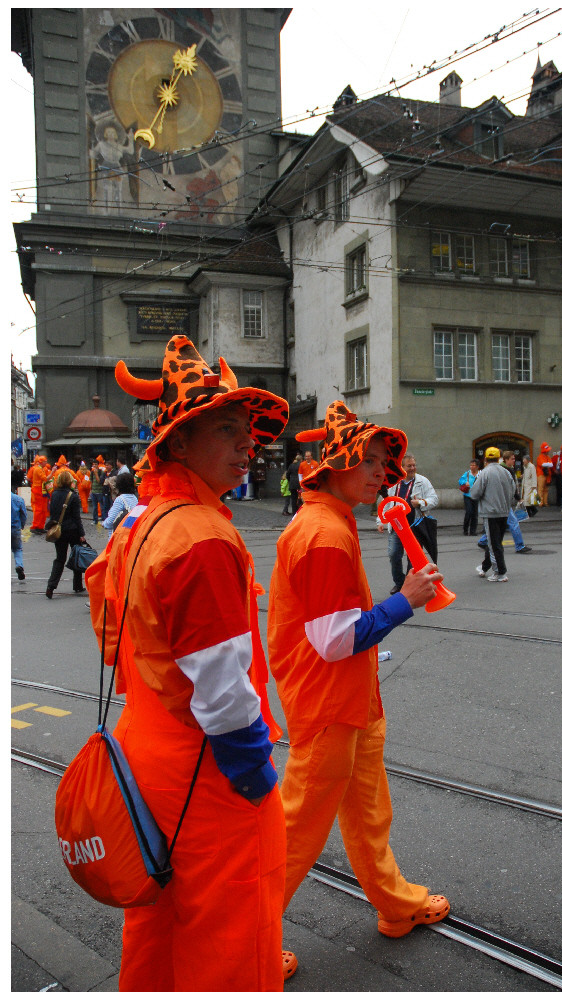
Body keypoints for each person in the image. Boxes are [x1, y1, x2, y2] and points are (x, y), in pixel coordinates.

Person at [85, 335, 289, 991]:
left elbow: (111, 627)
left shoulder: (142, 522)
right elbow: (224, 690)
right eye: (227, 430)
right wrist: (252, 770)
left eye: (247, 431)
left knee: (158, 920)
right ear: (176, 443)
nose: (246, 444)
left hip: (145, 753)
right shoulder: (202, 535)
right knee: (232, 933)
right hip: (206, 771)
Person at [267, 400, 450, 973]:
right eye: (368, 460)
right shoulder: (322, 533)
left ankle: (395, 904)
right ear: (338, 461)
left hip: (350, 702)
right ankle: (247, 936)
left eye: (381, 462)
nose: (379, 472)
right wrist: (406, 601)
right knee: (295, 831)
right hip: (329, 703)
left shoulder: (330, 521)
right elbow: (334, 639)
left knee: (369, 814)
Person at [376, 452, 439, 594]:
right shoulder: (394, 482)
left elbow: (434, 499)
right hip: (396, 527)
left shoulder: (423, 481)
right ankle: (399, 583)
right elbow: (386, 502)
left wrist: (421, 503)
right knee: (394, 555)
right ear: (402, 467)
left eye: (414, 465)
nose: (412, 468)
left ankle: (412, 587)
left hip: (414, 527)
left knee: (413, 560)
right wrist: (380, 521)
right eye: (409, 466)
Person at [469, 446, 515, 582]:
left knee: (493, 543)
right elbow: (513, 490)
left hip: (490, 513)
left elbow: (474, 493)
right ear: (499, 458)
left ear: (485, 459)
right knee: (496, 541)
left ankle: (500, 572)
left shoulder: (485, 473)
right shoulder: (506, 472)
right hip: (504, 511)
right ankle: (485, 567)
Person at [477, 452, 532, 554]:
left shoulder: (502, 469)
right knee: (513, 523)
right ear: (506, 460)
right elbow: (510, 487)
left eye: (514, 459)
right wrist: (518, 498)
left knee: (500, 525)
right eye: (512, 459)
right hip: (503, 503)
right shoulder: (505, 470)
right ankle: (519, 546)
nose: (514, 461)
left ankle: (483, 541)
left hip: (500, 502)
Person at [45, 469, 87, 598]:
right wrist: (82, 533)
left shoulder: (54, 494)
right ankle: (78, 585)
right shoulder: (73, 496)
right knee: (76, 557)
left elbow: (51, 512)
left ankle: (51, 586)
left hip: (59, 531)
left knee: (59, 559)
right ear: (70, 481)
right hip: (73, 530)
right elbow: (77, 517)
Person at [101, 472, 138, 538]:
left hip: (118, 536)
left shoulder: (120, 500)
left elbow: (111, 521)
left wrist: (104, 523)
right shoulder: (135, 498)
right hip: (131, 534)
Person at [11, 469, 27, 581]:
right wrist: (22, 525)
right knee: (17, 549)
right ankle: (19, 565)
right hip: (15, 528)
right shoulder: (18, 499)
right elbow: (24, 514)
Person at [29, 455, 49, 533]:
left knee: (43, 509)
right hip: (38, 490)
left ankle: (40, 526)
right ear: (41, 462)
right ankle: (35, 526)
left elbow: (28, 477)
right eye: (45, 461)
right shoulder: (38, 469)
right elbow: (45, 478)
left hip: (42, 490)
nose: (46, 462)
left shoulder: (39, 469)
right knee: (39, 509)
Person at [458, 459, 479, 535]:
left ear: (477, 466)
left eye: (473, 465)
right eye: (471, 465)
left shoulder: (480, 474)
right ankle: (465, 529)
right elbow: (460, 481)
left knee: (475, 514)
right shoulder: (467, 474)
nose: (472, 467)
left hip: (476, 496)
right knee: (469, 512)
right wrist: (465, 482)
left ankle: (473, 531)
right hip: (467, 495)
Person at [535, 442, 553, 508]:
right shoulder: (540, 457)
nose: (548, 451)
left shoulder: (548, 457)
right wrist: (547, 464)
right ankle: (540, 503)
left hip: (547, 475)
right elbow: (542, 464)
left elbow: (551, 465)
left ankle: (545, 502)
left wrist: (547, 464)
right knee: (540, 489)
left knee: (546, 489)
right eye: (547, 450)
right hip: (541, 475)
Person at [90, 458, 107, 524]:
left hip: (99, 492)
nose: (94, 466)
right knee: (94, 507)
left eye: (95, 464)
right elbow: (91, 481)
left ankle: (103, 519)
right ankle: (95, 520)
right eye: (93, 464)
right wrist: (90, 490)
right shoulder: (91, 472)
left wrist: (96, 473)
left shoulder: (101, 472)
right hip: (93, 492)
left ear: (98, 465)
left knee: (102, 506)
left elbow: (99, 481)